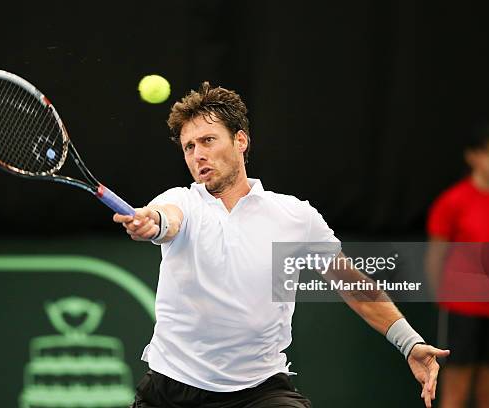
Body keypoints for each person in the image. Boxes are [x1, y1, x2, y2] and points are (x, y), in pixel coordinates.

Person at [114, 82, 449, 408]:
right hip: (172, 391)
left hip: (258, 391)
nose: (198, 154)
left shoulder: (294, 216)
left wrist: (409, 343)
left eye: (208, 140)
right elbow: (166, 218)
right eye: (189, 147)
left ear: (240, 140)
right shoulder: (182, 201)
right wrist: (152, 221)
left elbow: (352, 284)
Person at [426, 124, 489, 408]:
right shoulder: (452, 201)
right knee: (455, 392)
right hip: (461, 310)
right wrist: (444, 298)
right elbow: (435, 256)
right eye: (487, 152)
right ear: (472, 157)